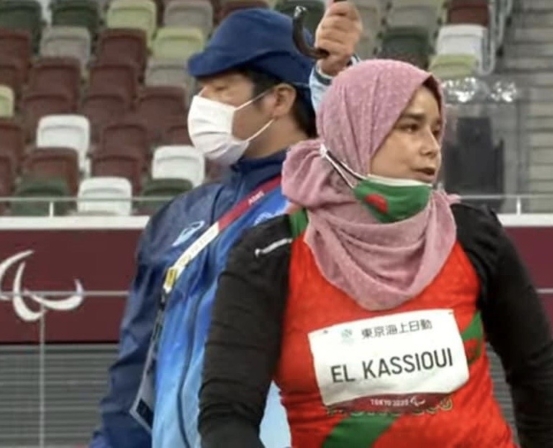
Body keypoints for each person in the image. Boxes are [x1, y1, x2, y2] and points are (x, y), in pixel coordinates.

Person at [198, 59, 553, 448]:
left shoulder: (472, 235)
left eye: (436, 130)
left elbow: (536, 371)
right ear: (356, 130)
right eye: (410, 127)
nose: (431, 148)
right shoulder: (269, 254)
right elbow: (227, 414)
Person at [89, 5, 362, 448]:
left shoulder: (324, 200)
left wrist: (339, 79)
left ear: (279, 99)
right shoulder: (177, 219)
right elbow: (135, 375)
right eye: (202, 90)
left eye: (220, 89)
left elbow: (370, 170)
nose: (202, 104)